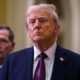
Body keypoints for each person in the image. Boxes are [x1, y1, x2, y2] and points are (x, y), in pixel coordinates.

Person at [1, 3, 80, 80]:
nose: (36, 25)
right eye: (32, 22)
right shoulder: (12, 61)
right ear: (28, 30)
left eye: (42, 20)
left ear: (56, 28)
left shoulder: (76, 62)